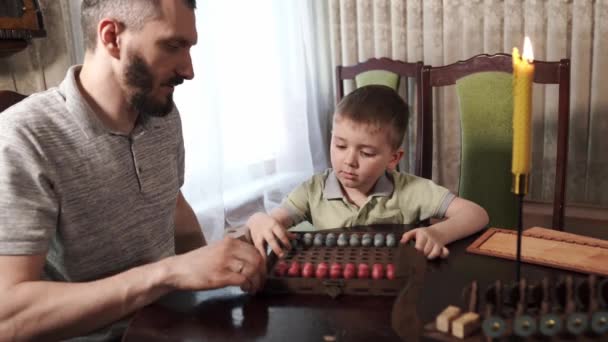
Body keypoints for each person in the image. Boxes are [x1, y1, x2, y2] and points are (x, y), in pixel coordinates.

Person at [0, 1, 265, 341]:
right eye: (173, 46)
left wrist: (219, 271)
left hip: (171, 327)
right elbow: (8, 317)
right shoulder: (23, 137)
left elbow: (174, 210)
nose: (189, 69)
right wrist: (168, 273)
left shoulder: (162, 116)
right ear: (112, 37)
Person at [247, 85, 489, 261]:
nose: (349, 161)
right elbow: (273, 222)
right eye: (340, 145)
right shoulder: (313, 190)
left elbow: (476, 214)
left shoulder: (410, 190)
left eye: (367, 152)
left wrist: (437, 232)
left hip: (394, 293)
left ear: (393, 158)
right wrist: (257, 220)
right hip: (333, 291)